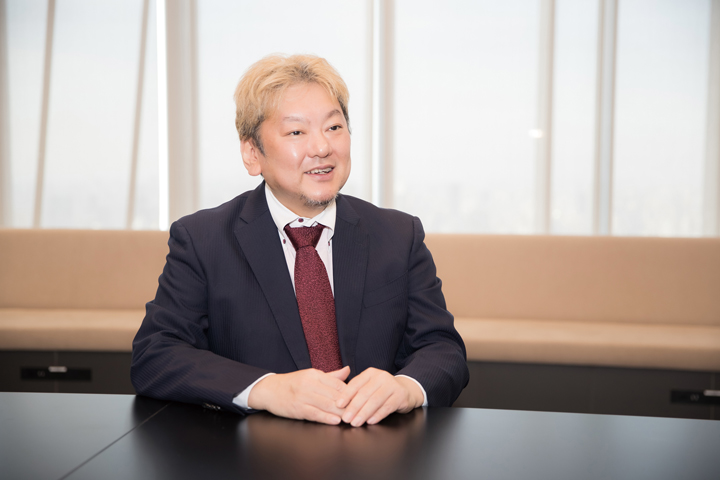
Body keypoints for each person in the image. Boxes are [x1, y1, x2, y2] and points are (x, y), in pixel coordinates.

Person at [131, 54, 468, 427]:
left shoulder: (398, 235)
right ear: (252, 153)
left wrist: (406, 387)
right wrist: (267, 389)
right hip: (253, 448)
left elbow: (443, 350)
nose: (322, 147)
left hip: (376, 444)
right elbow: (155, 354)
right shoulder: (203, 240)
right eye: (296, 132)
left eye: (334, 127)